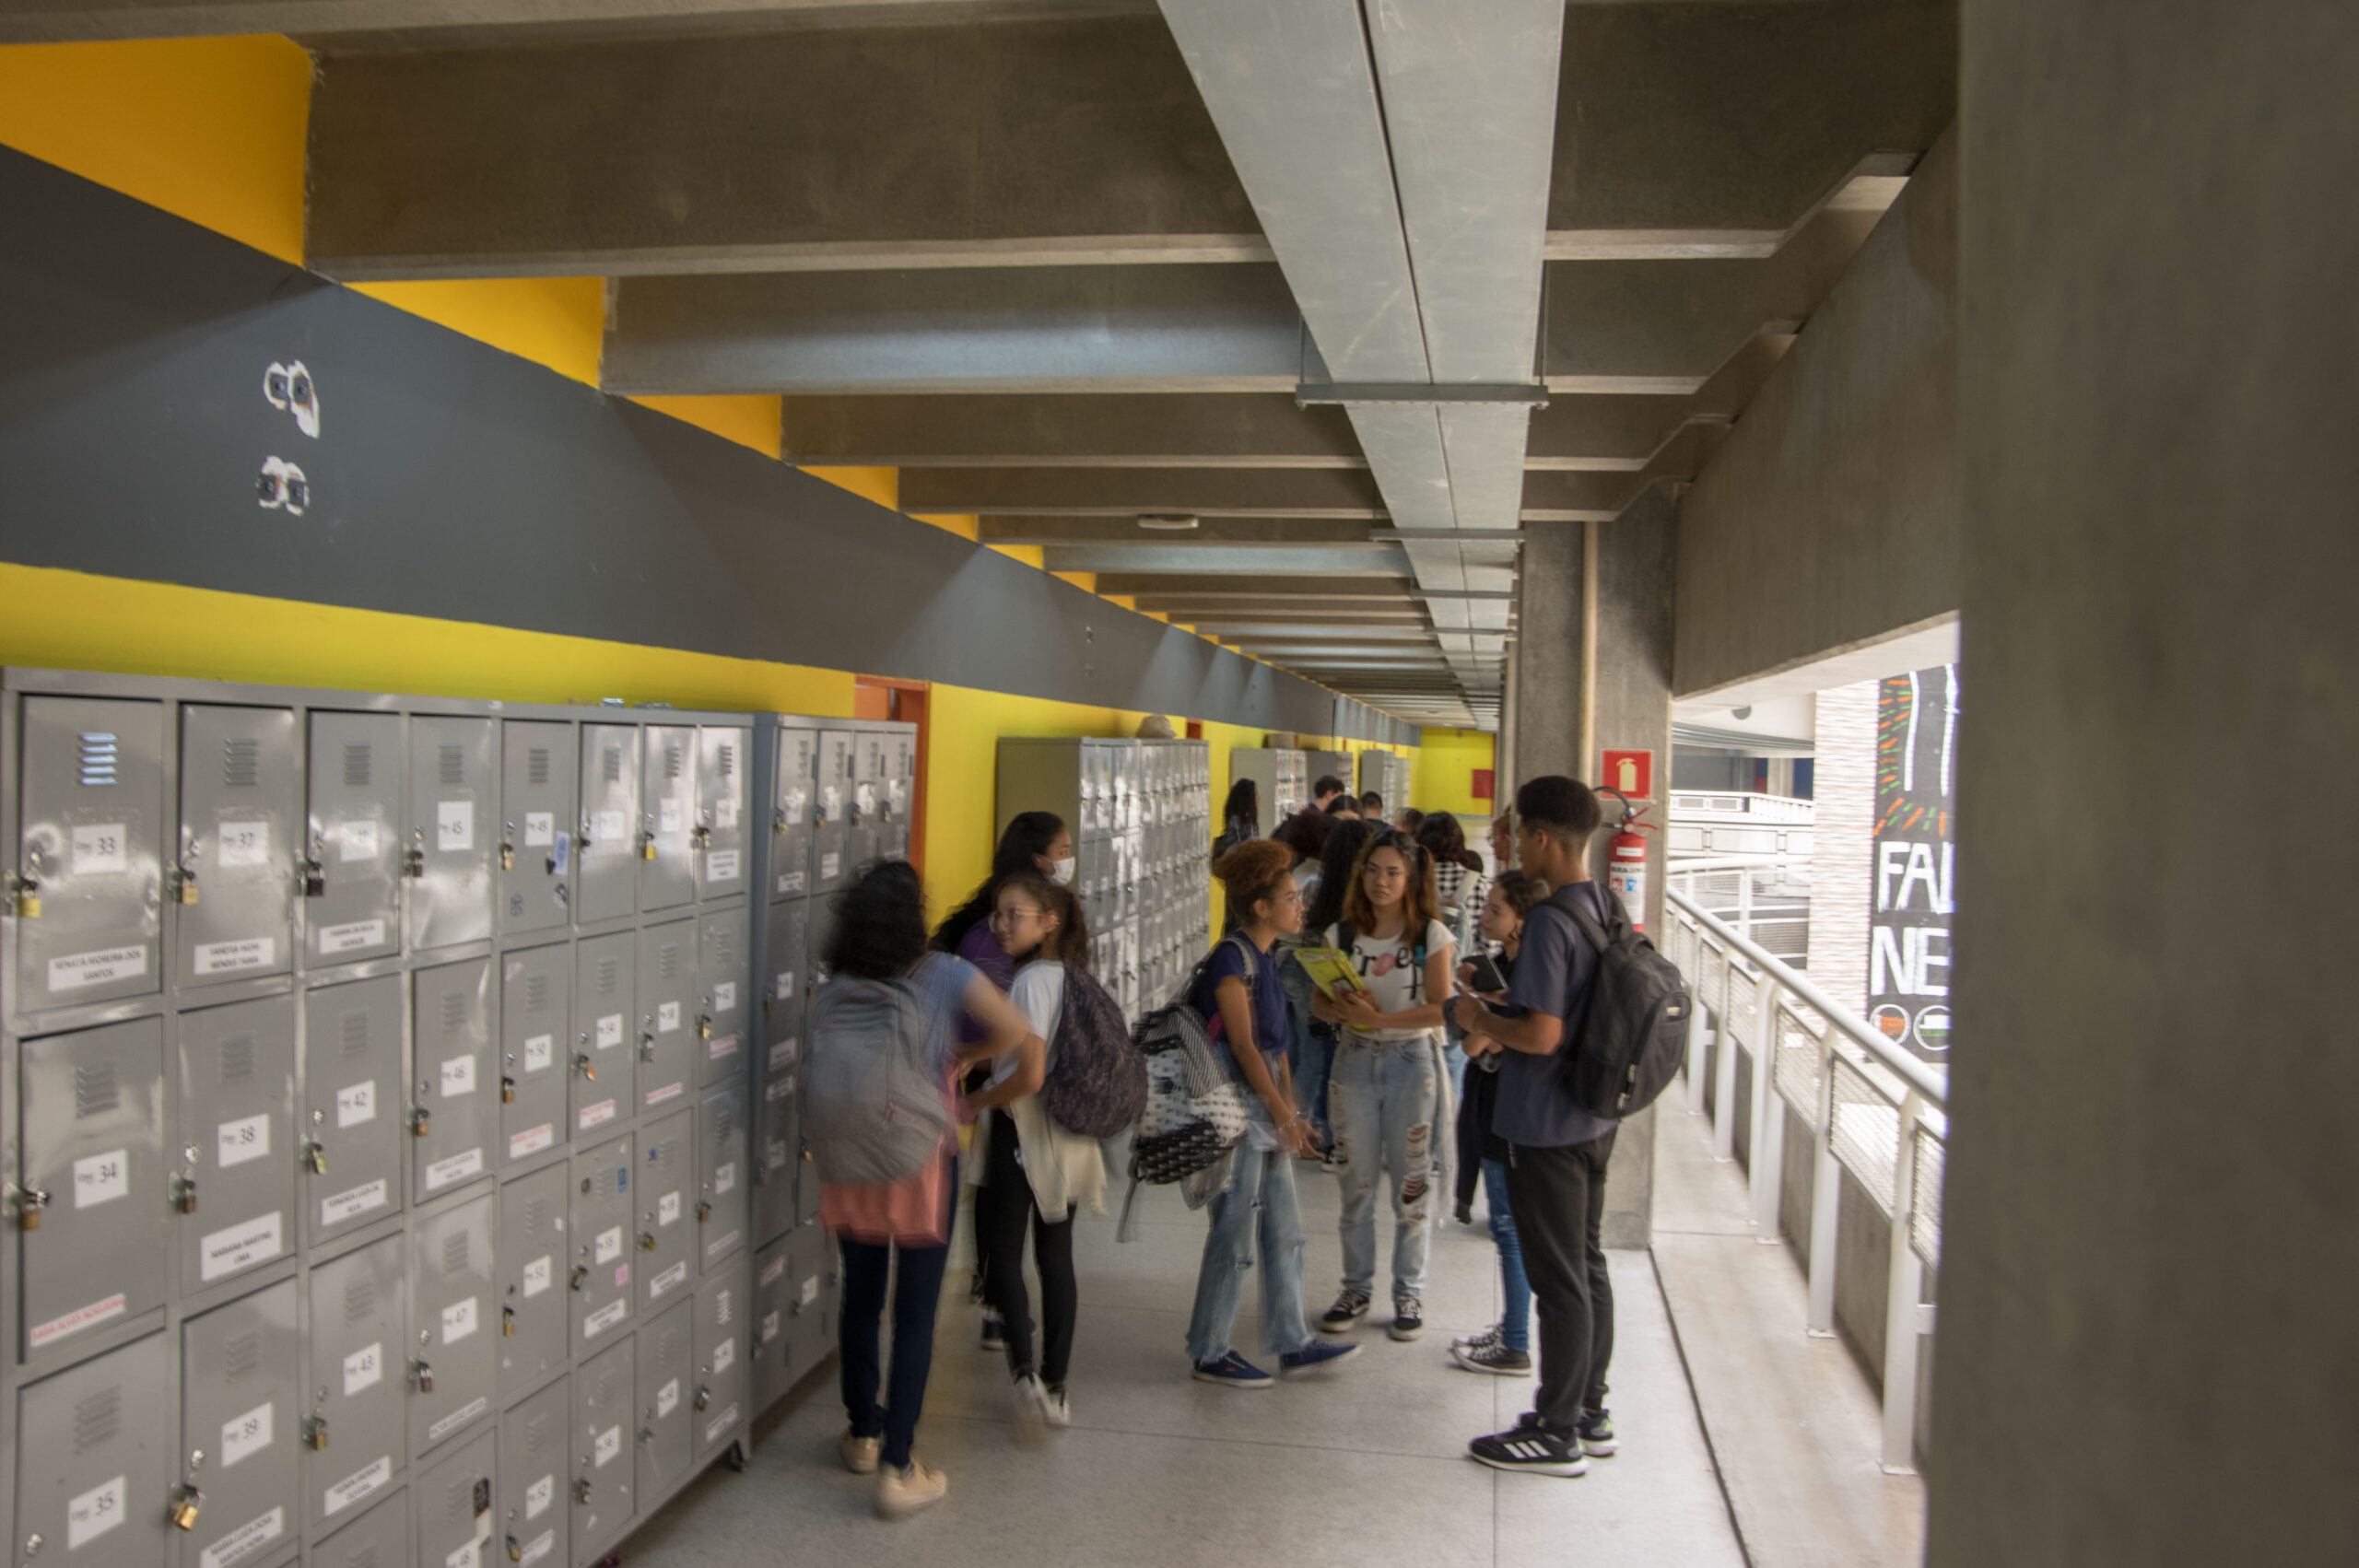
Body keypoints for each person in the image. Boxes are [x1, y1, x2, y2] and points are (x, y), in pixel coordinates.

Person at [818, 861, 1047, 1518]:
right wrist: (963, 1056)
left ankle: (863, 1433)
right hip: (920, 1156)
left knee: (861, 1297)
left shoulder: (840, 982)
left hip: (850, 1156)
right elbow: (1016, 1033)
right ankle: (898, 1466)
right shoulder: (945, 973)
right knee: (915, 1312)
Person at [1448, 776, 1619, 1478]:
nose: (1514, 844)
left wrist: (1479, 1017)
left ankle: (1555, 1431)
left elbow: (1543, 1034)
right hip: (1591, 1116)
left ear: (1544, 838)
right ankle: (1589, 1409)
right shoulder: (1603, 903)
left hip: (1545, 1125)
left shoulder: (1549, 920)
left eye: (1519, 833)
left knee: (1558, 1279)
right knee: (1587, 1263)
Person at [1186, 840, 1362, 1387]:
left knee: (1285, 1228)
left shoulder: (1267, 956)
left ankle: (1291, 1340)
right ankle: (1209, 1349)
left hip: (1264, 1108)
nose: (1300, 905)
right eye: (1290, 898)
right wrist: (1280, 1113)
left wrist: (1291, 1112)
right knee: (1234, 1231)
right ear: (1261, 907)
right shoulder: (1231, 959)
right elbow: (1242, 1047)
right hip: (1236, 1112)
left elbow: (1276, 1045)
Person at [970, 872, 1109, 1440]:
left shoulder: (1030, 981)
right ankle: (1058, 1385)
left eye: (1015, 914)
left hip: (1024, 1132)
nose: (1002, 925)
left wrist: (974, 1101)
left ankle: (1024, 1372)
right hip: (1071, 1133)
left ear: (1049, 922)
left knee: (1002, 1253)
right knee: (1057, 1255)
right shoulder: (1073, 977)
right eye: (998, 915)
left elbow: (1027, 1074)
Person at [931, 810, 1073, 1351]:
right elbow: (1015, 1024)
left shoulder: (990, 914)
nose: (1068, 859)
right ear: (1039, 859)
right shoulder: (1010, 937)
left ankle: (995, 1294)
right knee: (1010, 1204)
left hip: (994, 1069)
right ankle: (1002, 1306)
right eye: (1062, 851)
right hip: (1007, 1076)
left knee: (993, 1187)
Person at [1310, 831, 1456, 1343]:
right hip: (1352, 1060)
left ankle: (1408, 1292)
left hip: (1411, 1063)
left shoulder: (1431, 935)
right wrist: (1339, 1009)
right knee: (1355, 1185)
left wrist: (1382, 1020)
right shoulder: (1341, 933)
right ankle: (1355, 1289)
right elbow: (1317, 1002)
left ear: (1411, 879)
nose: (1381, 881)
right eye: (1373, 870)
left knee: (1411, 1185)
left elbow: (1441, 1008)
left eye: (1393, 872)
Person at [1450, 872, 1549, 1375]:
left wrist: (1478, 1011)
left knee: (1508, 1227)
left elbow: (1473, 1044)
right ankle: (1511, 1328)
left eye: (1496, 910)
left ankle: (1515, 1343)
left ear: (1520, 922)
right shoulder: (1507, 970)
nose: (1485, 916)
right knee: (1509, 1226)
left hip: (1505, 1114)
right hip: (1499, 1106)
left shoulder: (1523, 981)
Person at [1297, 817, 1379, 1159]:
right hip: (1355, 985)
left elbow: (1304, 931)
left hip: (1315, 975)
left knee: (1311, 1055)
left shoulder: (1316, 887)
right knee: (1342, 1060)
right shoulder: (1364, 900)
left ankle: (1312, 1130)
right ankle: (1342, 1134)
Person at [1215, 778, 1259, 859]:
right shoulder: (1239, 824)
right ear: (1248, 798)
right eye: (1255, 794)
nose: (1258, 798)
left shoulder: (1245, 823)